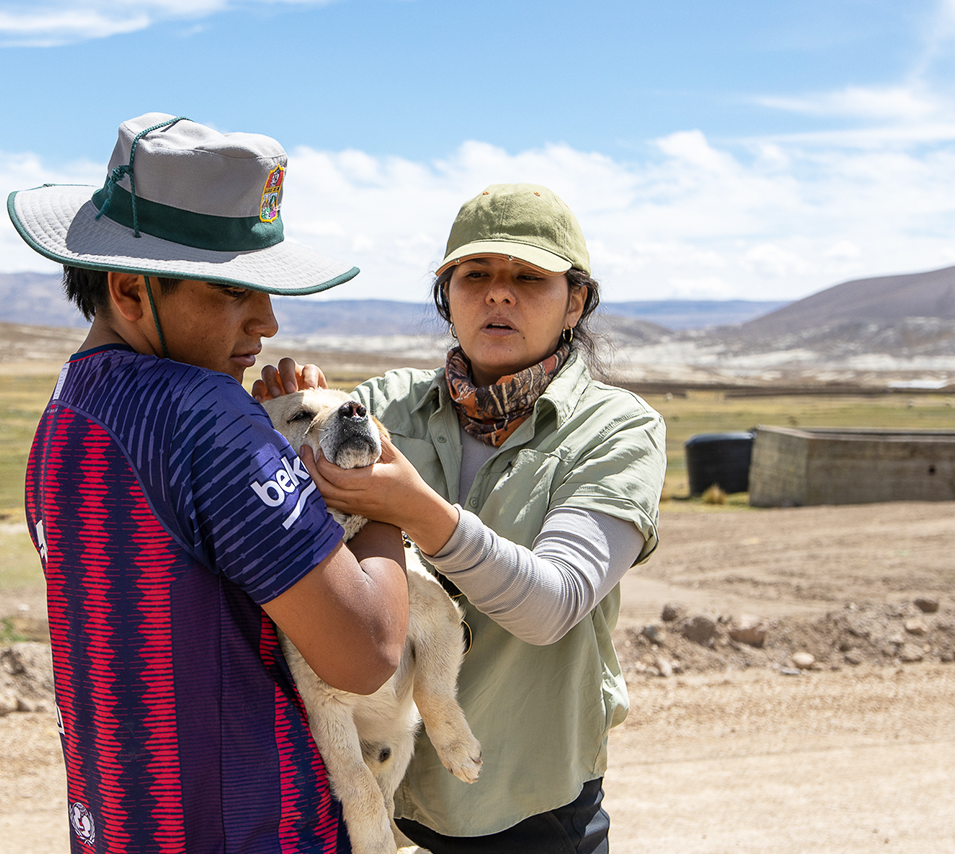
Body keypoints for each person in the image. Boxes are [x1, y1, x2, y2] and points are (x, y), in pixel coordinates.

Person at [9, 113, 409, 853]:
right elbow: (366, 652)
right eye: (233, 291)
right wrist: (370, 488)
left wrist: (275, 457)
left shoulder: (66, 407)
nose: (266, 322)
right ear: (130, 292)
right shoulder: (208, 414)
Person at [255, 183, 666, 853]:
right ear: (448, 296)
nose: (497, 293)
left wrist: (413, 511)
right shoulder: (385, 404)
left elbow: (552, 606)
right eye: (475, 275)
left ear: (577, 301)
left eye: (528, 277)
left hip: (528, 807)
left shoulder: (618, 432)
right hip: (384, 803)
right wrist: (288, 422)